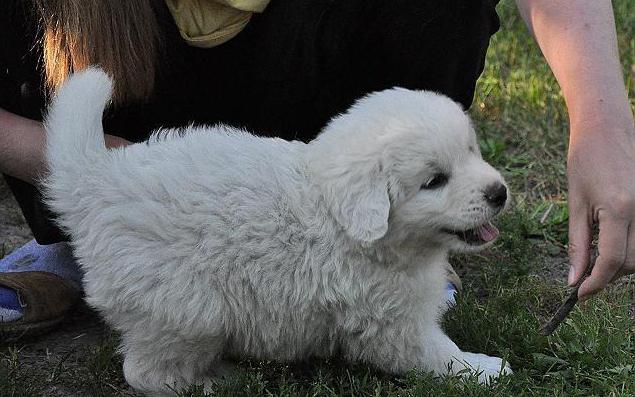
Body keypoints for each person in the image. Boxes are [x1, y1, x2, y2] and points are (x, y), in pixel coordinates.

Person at [0, 0, 633, 335]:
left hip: (312, 137)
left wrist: (602, 124)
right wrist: (122, 180)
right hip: (118, 114)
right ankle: (94, 242)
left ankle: (382, 242)